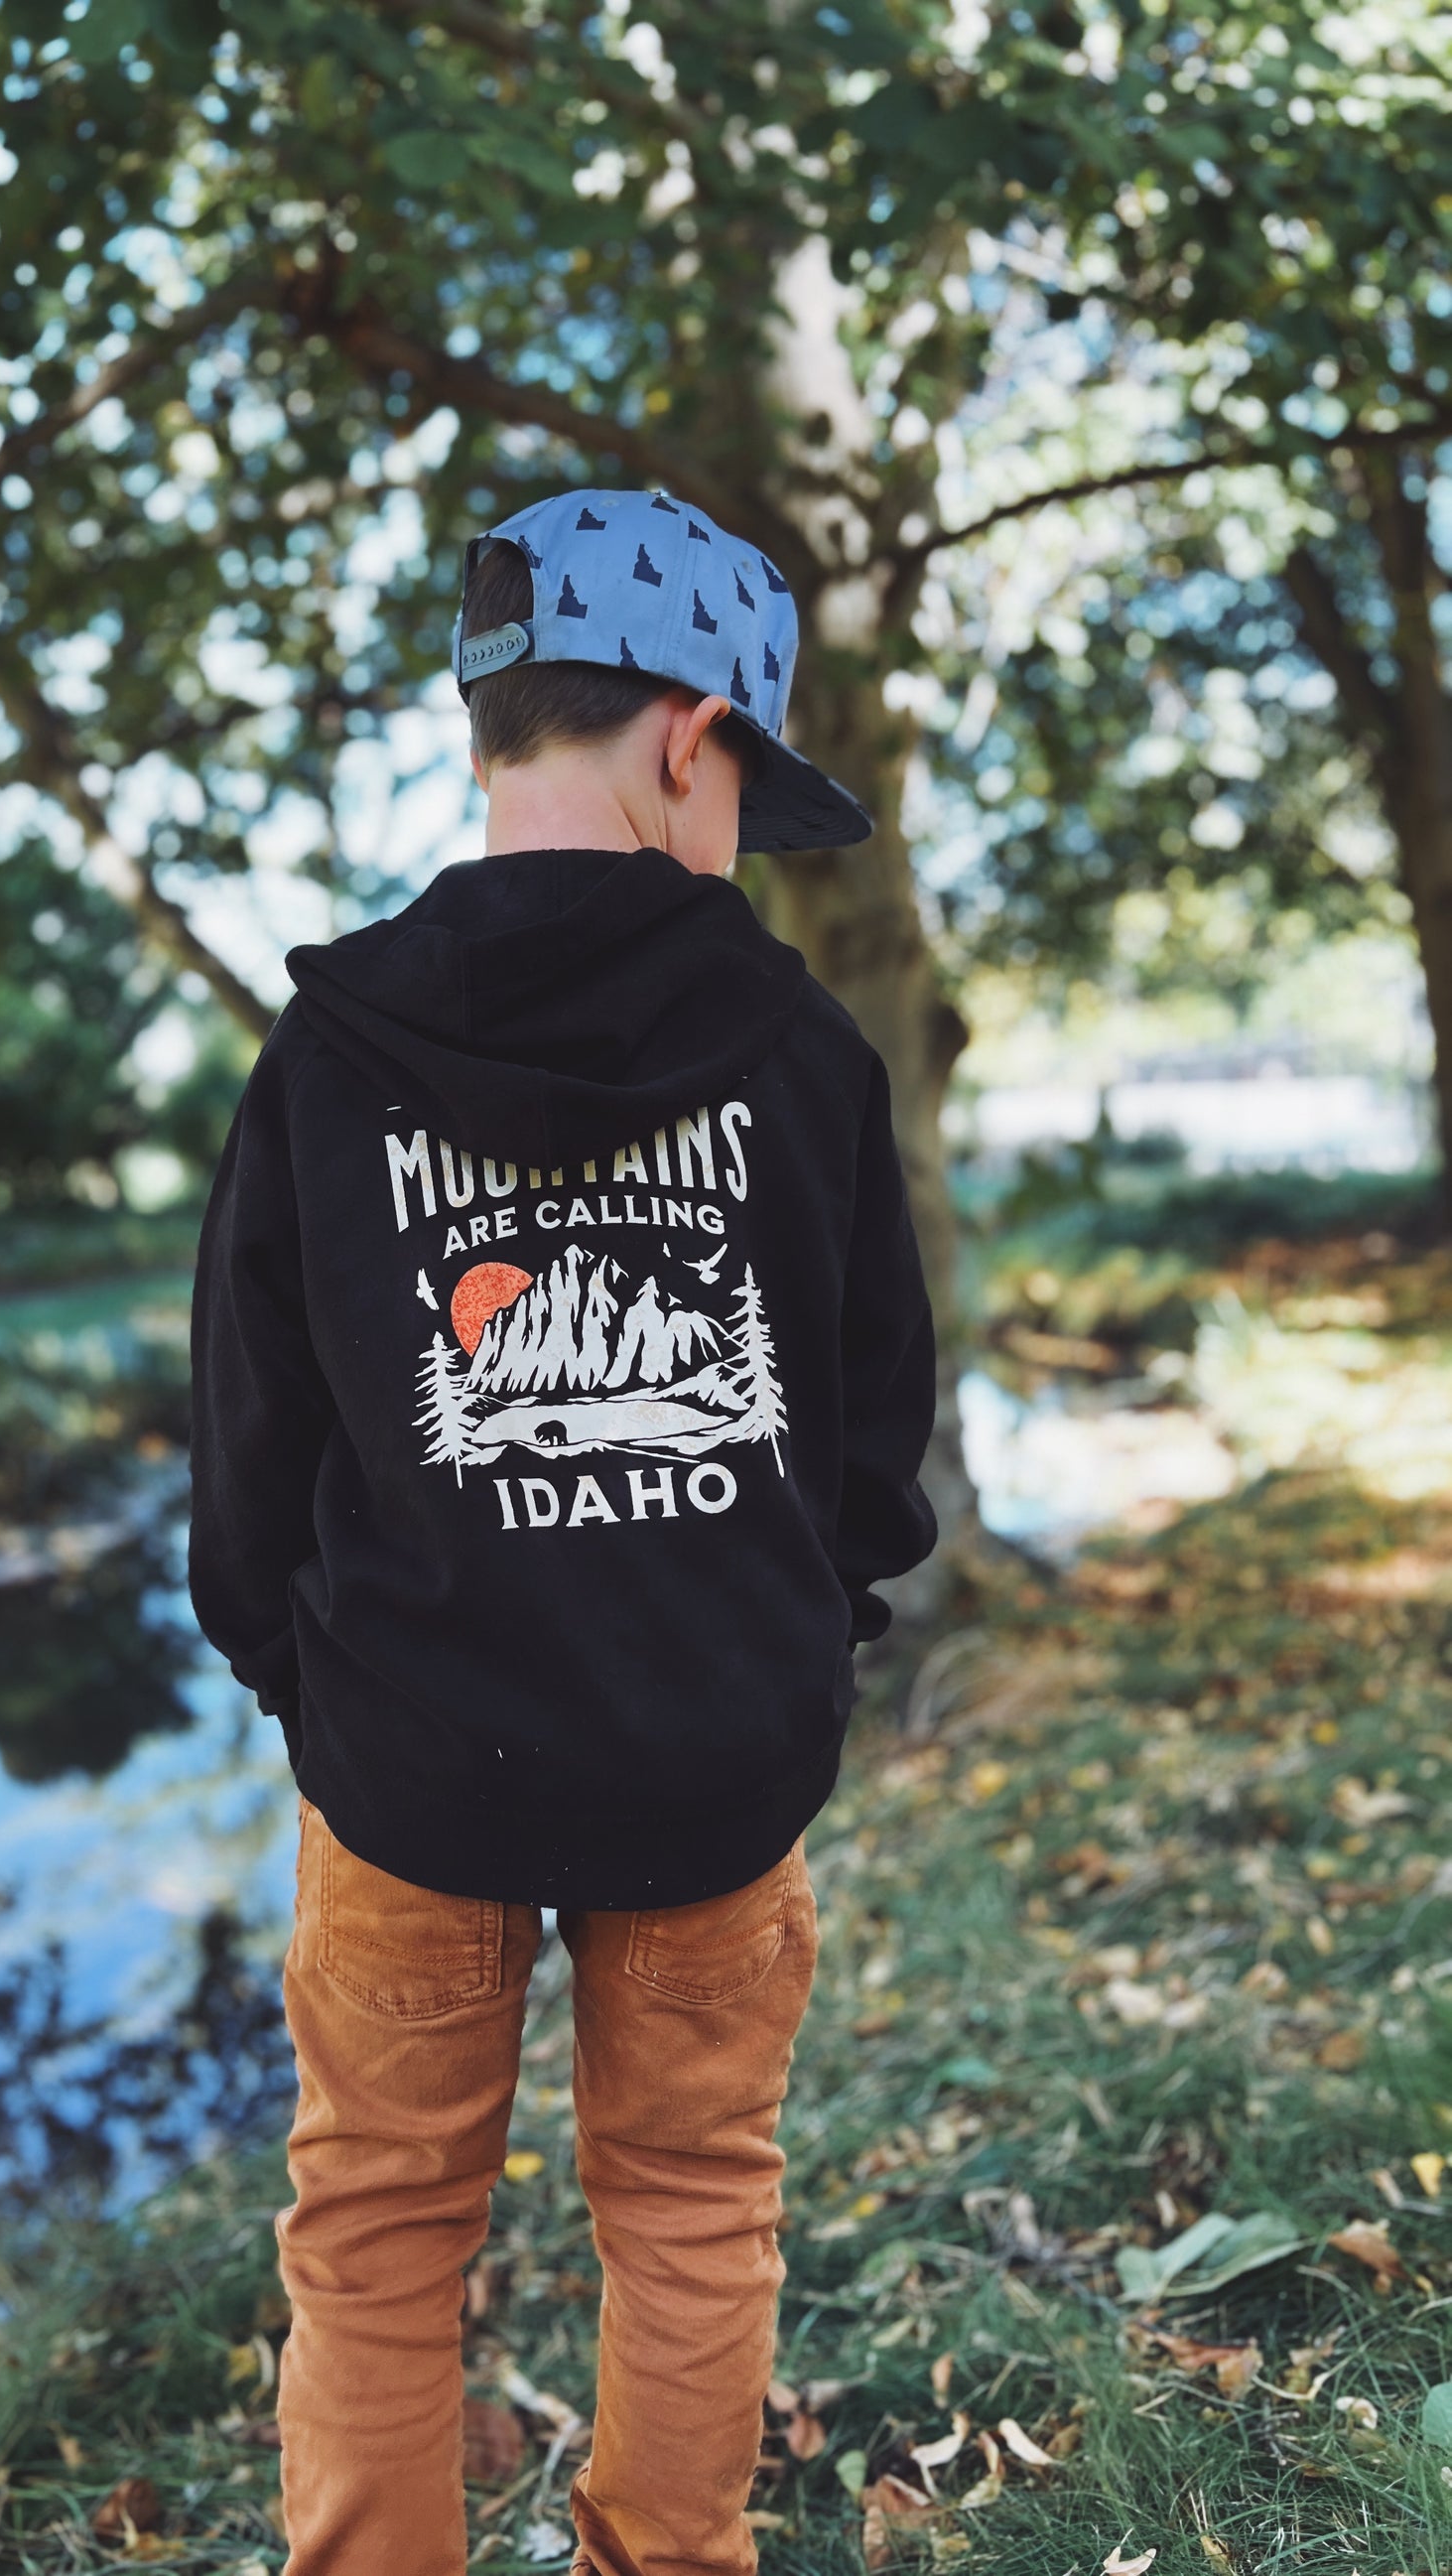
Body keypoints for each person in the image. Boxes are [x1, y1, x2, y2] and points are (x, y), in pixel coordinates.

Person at [190, 486, 938, 2576]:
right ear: (690, 739)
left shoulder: (327, 1054)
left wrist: (300, 1675)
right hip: (716, 1753)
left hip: (411, 1757)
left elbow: (251, 1432)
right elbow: (877, 1421)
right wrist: (808, 1630)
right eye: (739, 795)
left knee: (374, 2221)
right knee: (694, 2193)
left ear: (491, 722)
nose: (735, 850)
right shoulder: (800, 1050)